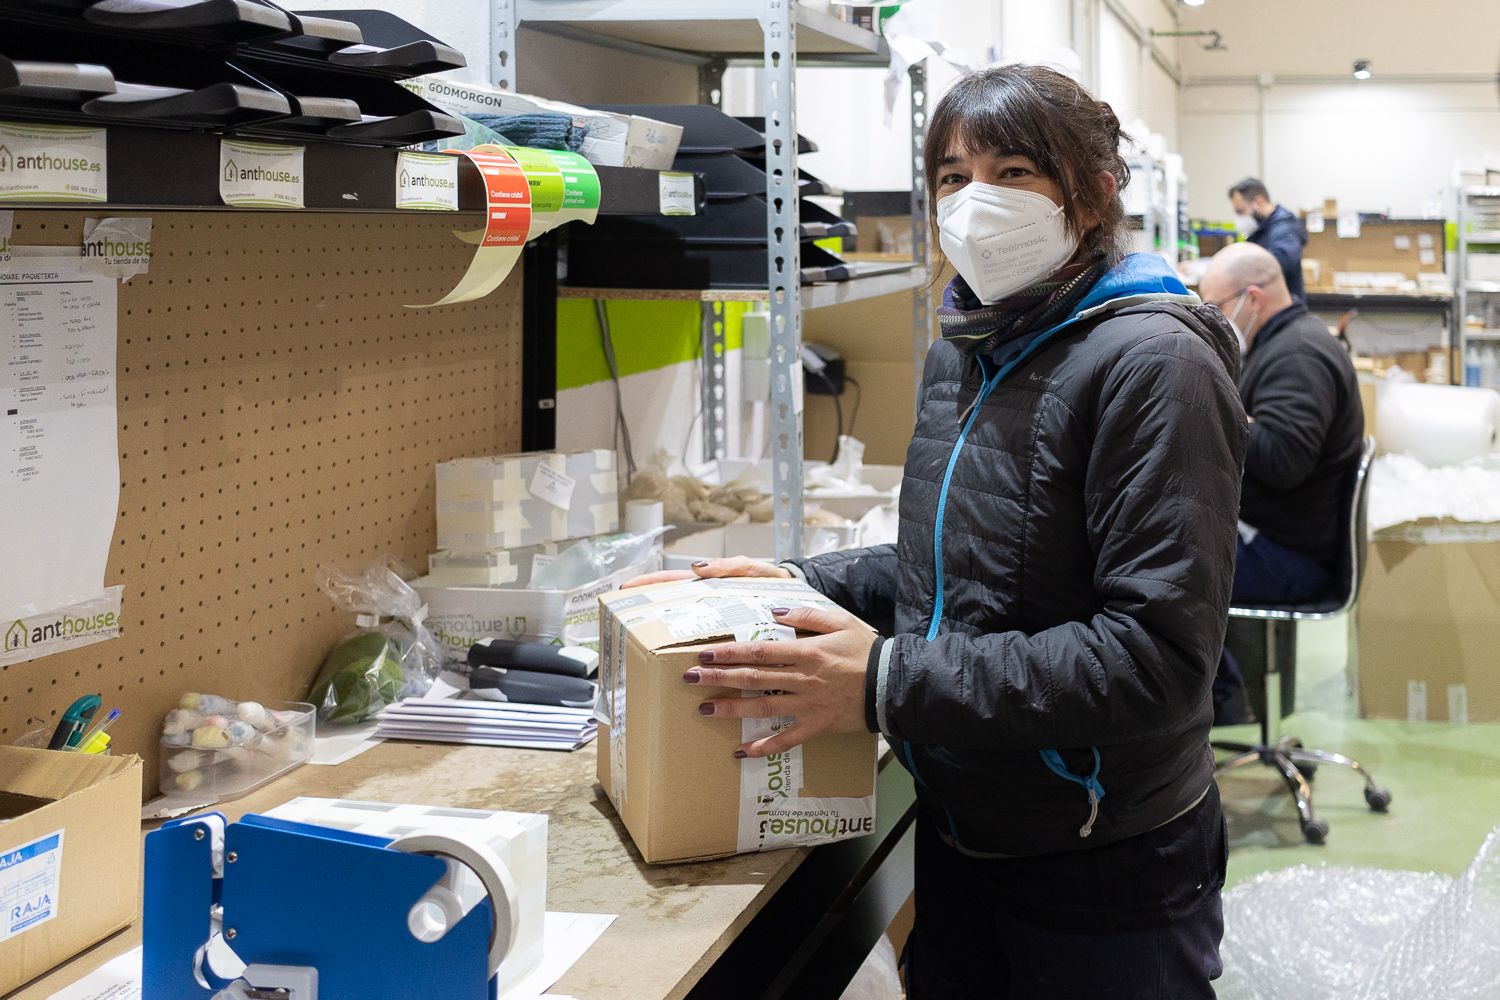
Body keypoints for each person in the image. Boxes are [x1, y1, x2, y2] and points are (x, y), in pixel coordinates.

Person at [628, 64, 1247, 999]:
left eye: (1013, 172)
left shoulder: (1155, 363)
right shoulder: (970, 349)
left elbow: (1155, 661)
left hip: (1102, 861)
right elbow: (949, 569)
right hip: (963, 827)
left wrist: (881, 681)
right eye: (952, 177)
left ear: (1095, 189)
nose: (975, 202)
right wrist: (796, 582)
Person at [1199, 242, 1364, 606]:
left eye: (1216, 308)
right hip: (1274, 537)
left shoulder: (1299, 355)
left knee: (1152, 576)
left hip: (1288, 557)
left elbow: (1282, 459)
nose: (1211, 319)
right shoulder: (1278, 344)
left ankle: (1225, 666)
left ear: (1253, 298)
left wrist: (1220, 410)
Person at [1228, 177, 1308, 303]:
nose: (1239, 218)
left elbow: (1282, 261)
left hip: (1284, 311)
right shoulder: (1261, 230)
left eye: (1241, 211)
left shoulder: (1284, 228)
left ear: (1259, 202)